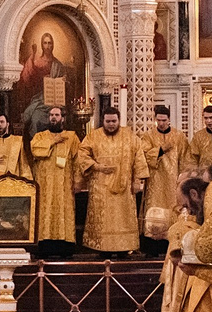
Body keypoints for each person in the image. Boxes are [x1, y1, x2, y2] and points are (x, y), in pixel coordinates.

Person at [77, 108, 140, 254]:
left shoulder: (129, 136)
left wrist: (137, 180)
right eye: (108, 121)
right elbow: (82, 153)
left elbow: (139, 156)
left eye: (114, 121)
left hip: (124, 187)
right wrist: (97, 166)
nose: (111, 124)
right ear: (103, 121)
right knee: (103, 220)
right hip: (100, 186)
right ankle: (102, 248)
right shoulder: (93, 136)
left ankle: (124, 247)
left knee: (122, 218)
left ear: (119, 121)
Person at [136, 106, 186, 255]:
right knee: (153, 211)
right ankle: (152, 247)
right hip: (155, 182)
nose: (161, 123)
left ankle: (171, 244)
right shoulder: (148, 136)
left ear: (169, 119)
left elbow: (185, 159)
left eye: (164, 120)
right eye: (158, 120)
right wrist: (161, 149)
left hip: (173, 182)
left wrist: (183, 178)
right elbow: (143, 155)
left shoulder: (179, 136)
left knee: (173, 210)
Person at [27, 111, 78, 253]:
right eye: (51, 115)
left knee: (64, 212)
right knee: (45, 211)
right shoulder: (40, 136)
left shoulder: (71, 137)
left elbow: (78, 159)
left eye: (56, 115)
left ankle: (65, 247)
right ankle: (44, 245)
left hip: (65, 184)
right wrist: (53, 142)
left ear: (63, 118)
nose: (53, 117)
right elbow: (35, 150)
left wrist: (78, 181)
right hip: (45, 184)